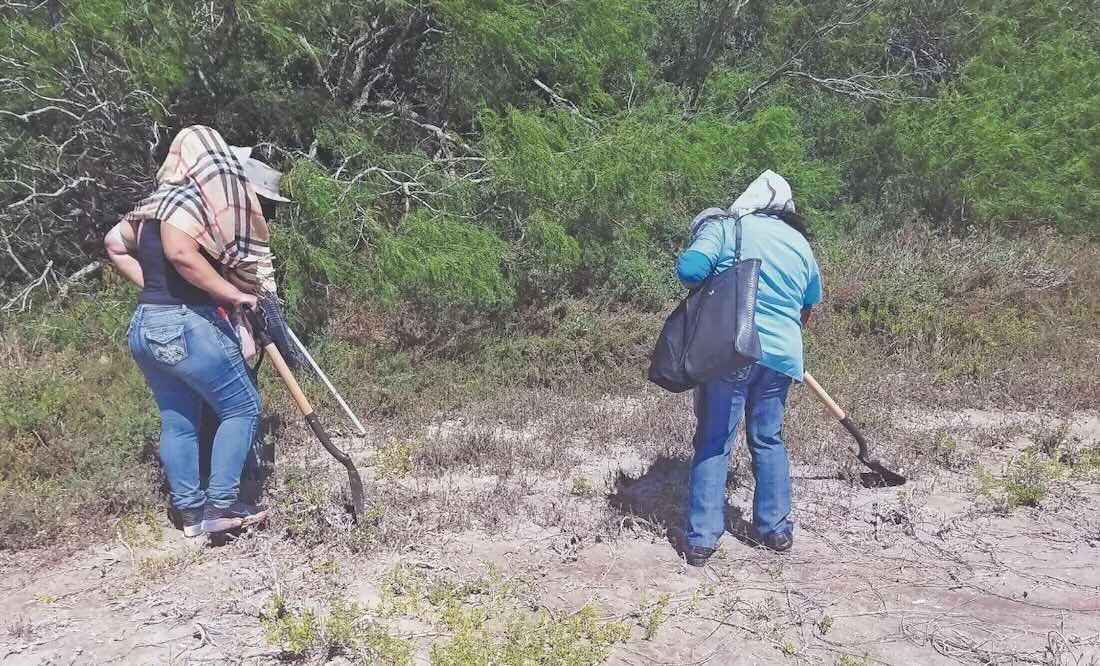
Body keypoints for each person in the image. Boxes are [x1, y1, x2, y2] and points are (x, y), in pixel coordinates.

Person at [104, 126, 290, 538]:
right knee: (242, 408)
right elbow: (180, 253)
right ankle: (220, 507)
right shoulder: (186, 201)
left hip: (146, 324)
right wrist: (233, 294)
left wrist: (154, 289)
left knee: (179, 420)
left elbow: (113, 244)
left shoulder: (151, 207)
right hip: (185, 325)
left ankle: (189, 515)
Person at [675, 170, 822, 566]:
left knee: (714, 440)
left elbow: (689, 270)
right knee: (769, 439)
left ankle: (703, 539)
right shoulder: (801, 244)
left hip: (733, 352)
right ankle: (775, 531)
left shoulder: (727, 227)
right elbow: (809, 304)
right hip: (782, 357)